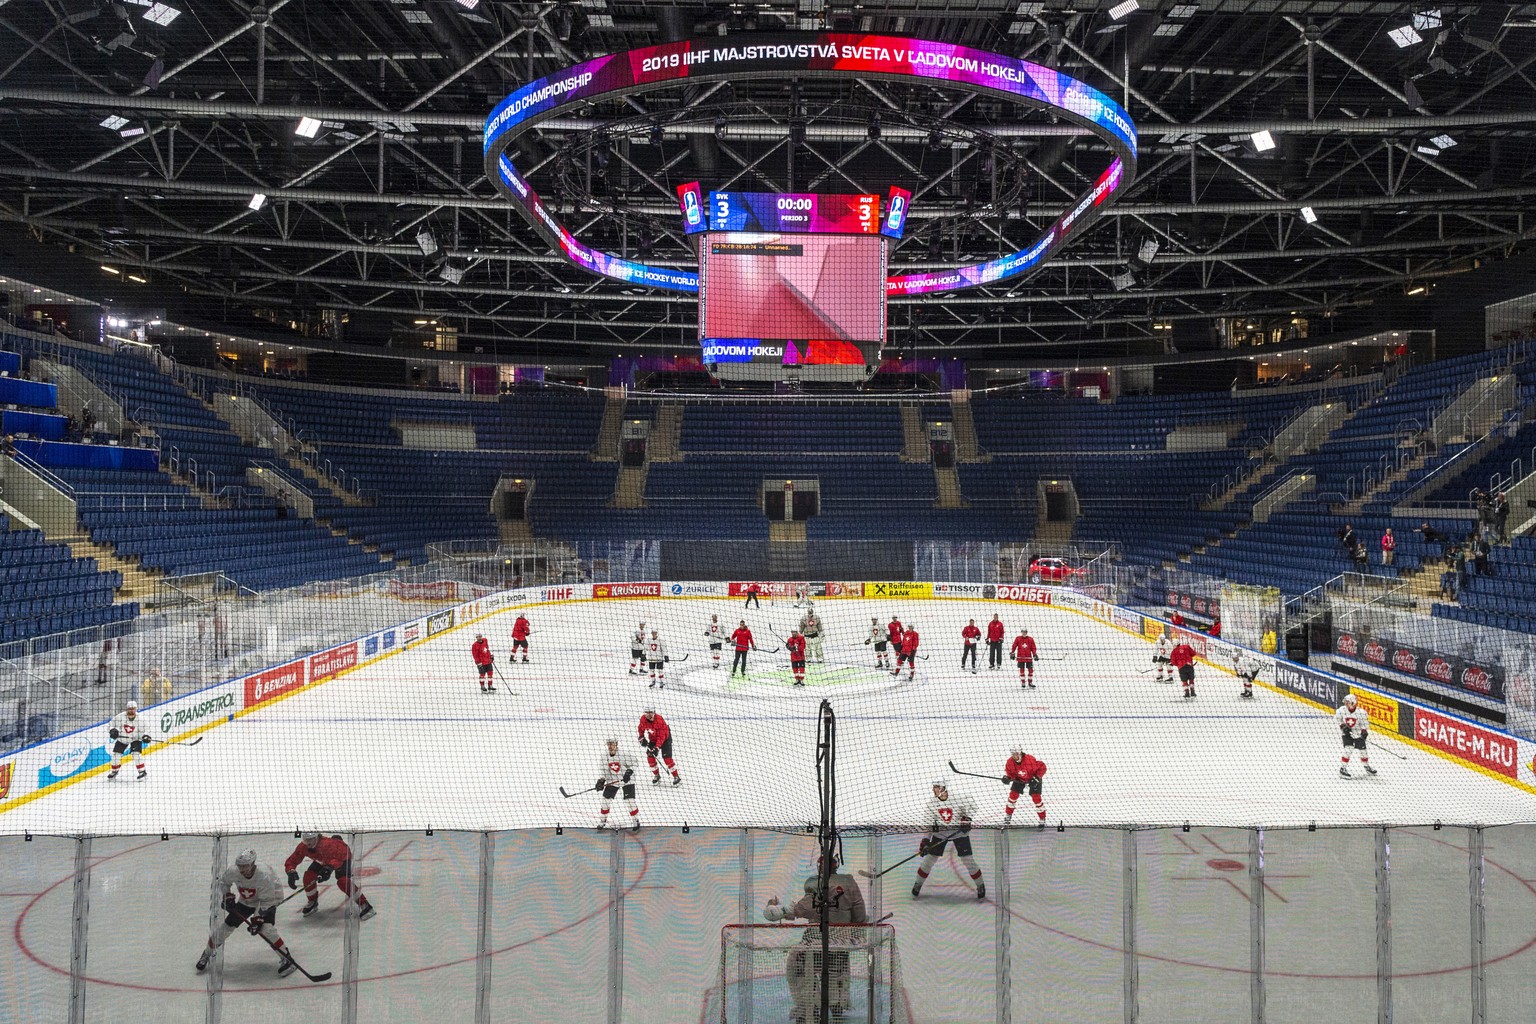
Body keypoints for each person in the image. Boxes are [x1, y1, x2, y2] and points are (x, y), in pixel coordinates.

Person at [763, 853, 868, 1021]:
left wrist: (776, 909)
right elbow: (860, 916)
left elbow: (799, 909)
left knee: (797, 963)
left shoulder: (816, 885)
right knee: (837, 968)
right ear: (836, 866)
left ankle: (807, 1007)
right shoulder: (850, 883)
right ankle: (838, 1005)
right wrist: (856, 935)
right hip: (841, 942)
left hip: (814, 942)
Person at [196, 849, 298, 976]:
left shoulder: (264, 876)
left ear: (253, 863)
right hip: (247, 900)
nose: (242, 869)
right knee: (226, 927)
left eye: (245, 866)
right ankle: (207, 953)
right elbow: (223, 882)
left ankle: (287, 959)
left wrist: (258, 920)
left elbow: (267, 900)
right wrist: (227, 896)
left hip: (270, 899)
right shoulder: (234, 871)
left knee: (265, 929)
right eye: (240, 866)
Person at [911, 780, 984, 900]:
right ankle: (918, 883)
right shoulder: (931, 804)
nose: (933, 790)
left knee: (968, 861)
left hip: (959, 834)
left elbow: (973, 805)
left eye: (935, 787)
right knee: (929, 861)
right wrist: (925, 840)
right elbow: (929, 825)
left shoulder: (959, 798)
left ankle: (980, 885)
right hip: (940, 834)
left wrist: (967, 818)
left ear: (943, 788)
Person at [284, 832, 376, 920]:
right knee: (309, 876)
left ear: (317, 838)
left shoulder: (328, 845)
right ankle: (312, 902)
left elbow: (337, 859)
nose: (307, 843)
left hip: (342, 858)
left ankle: (365, 905)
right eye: (305, 839)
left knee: (343, 882)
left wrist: (328, 868)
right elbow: (292, 860)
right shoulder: (303, 846)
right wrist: (291, 871)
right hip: (323, 859)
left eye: (310, 839)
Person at [597, 738, 640, 830]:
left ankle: (635, 820)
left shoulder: (624, 754)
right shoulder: (605, 757)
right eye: (608, 744)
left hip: (627, 780)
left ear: (616, 744)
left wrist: (629, 772)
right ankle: (602, 821)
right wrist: (601, 781)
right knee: (605, 800)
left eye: (612, 744)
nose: (610, 746)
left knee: (629, 801)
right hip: (613, 779)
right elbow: (604, 770)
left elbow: (635, 762)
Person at [106, 700, 152, 781]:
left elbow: (147, 729)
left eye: (133, 708)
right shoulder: (120, 717)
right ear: (127, 709)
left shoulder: (142, 719)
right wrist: (112, 730)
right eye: (130, 709)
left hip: (135, 739)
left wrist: (146, 736)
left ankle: (142, 772)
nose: (132, 710)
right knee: (116, 755)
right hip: (122, 738)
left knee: (136, 754)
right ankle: (114, 771)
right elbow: (110, 725)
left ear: (136, 709)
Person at [1002, 746, 1048, 826]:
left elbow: (1042, 767)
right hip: (1019, 779)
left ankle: (1042, 818)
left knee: (1036, 798)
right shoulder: (1010, 762)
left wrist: (1037, 778)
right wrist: (1007, 778)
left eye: (1016, 754)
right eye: (1012, 754)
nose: (1014, 756)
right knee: (1012, 796)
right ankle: (1008, 815)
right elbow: (1010, 774)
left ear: (1020, 754)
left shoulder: (1029, 760)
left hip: (1033, 779)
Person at [1335, 693, 1376, 777]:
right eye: (1345, 702)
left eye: (1348, 702)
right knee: (1348, 749)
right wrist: (1343, 726)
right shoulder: (1341, 710)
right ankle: (1343, 769)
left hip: (1357, 734)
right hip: (1347, 734)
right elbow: (1336, 719)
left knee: (1363, 751)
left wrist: (1364, 732)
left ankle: (1366, 766)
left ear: (1353, 703)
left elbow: (1364, 724)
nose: (1346, 704)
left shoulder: (1361, 712)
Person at [638, 708, 681, 786]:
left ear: (654, 712)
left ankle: (676, 777)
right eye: (647, 712)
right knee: (650, 757)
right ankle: (656, 776)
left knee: (667, 759)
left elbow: (661, 737)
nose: (648, 714)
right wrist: (641, 737)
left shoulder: (659, 720)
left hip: (665, 739)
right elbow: (640, 728)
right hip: (653, 739)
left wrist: (656, 748)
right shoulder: (643, 719)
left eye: (650, 712)